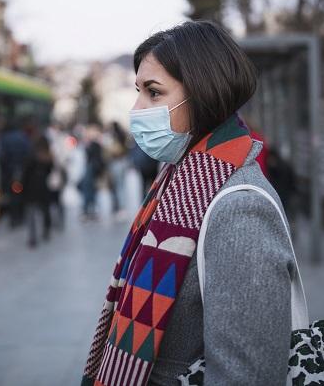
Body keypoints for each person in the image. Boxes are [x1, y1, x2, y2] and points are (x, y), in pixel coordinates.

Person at [82, 21, 300, 385]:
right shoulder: (178, 177)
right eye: (138, 91)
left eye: (154, 92)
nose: (137, 109)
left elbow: (246, 377)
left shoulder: (240, 208)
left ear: (202, 94)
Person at [0, 118, 31, 227]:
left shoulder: (5, 138)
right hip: (22, 171)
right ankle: (20, 216)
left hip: (10, 172)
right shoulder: (23, 137)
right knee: (20, 195)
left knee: (12, 196)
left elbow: (1, 157)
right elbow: (29, 153)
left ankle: (13, 217)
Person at [22, 133, 53, 247]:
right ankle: (46, 230)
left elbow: (25, 172)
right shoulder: (48, 156)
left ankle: (32, 237)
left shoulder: (32, 155)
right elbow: (50, 170)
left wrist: (22, 186)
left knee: (31, 213)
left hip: (31, 187)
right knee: (44, 210)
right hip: (44, 187)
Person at [78, 125, 104, 220]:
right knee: (90, 190)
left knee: (88, 190)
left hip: (91, 170)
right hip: (92, 170)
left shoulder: (93, 145)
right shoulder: (95, 144)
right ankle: (91, 210)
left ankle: (88, 210)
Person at [105, 122, 128, 219]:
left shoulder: (114, 137)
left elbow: (112, 151)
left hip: (115, 163)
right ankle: (119, 208)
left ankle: (120, 209)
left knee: (117, 186)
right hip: (122, 162)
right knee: (120, 185)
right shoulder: (122, 136)